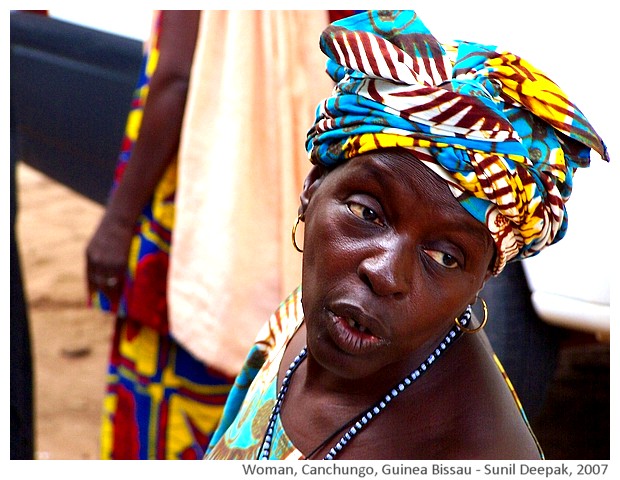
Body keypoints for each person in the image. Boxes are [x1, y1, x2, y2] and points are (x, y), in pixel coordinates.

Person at [204, 10, 609, 460]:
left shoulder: (474, 452)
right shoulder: (299, 319)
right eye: (366, 212)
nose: (384, 273)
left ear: (482, 282)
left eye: (445, 258)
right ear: (313, 187)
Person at [86, 10, 334, 459]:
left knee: (170, 395)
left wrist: (119, 221)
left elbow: (176, 80)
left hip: (187, 212)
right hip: (281, 207)